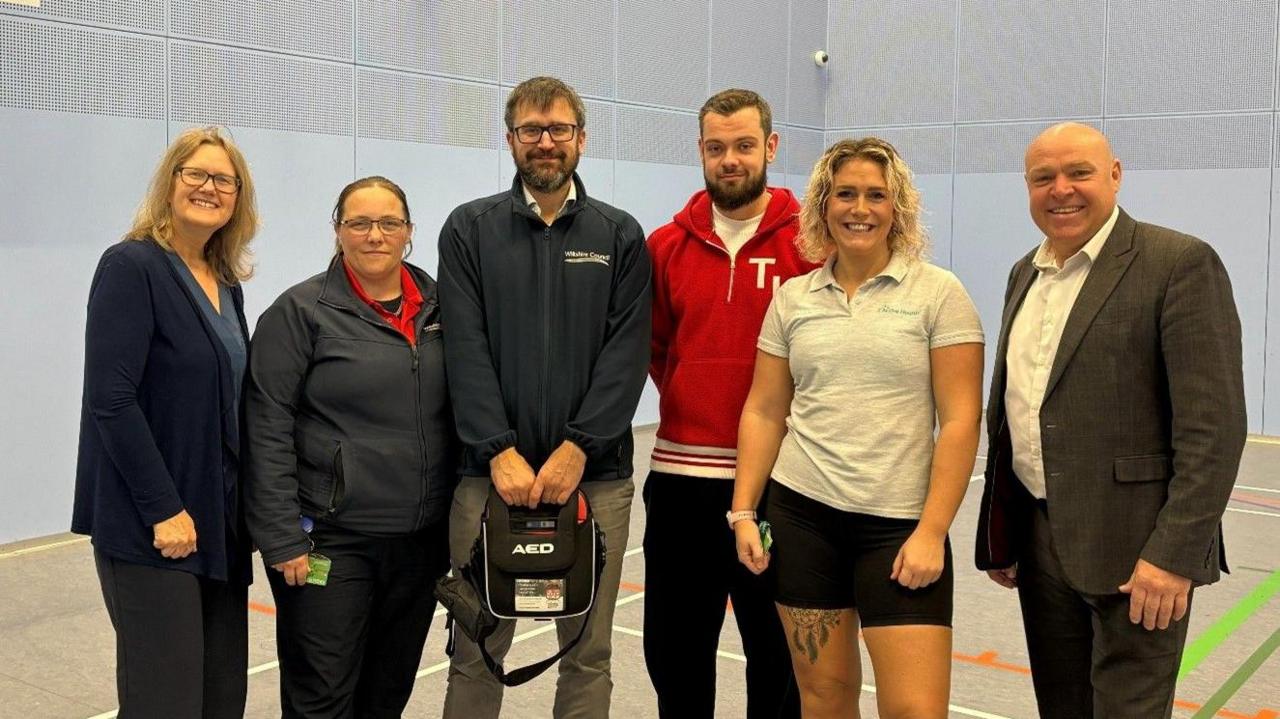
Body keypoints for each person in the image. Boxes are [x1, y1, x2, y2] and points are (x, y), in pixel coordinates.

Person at [975, 122, 1247, 718]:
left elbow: (1214, 430)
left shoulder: (1179, 263)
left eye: (1079, 173)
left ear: (1116, 176)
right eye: (1043, 177)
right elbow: (1016, 410)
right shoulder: (1026, 272)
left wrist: (1174, 555)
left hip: (1139, 552)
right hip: (1043, 542)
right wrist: (1008, 528)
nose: (1061, 190)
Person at [731, 137, 984, 718]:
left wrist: (932, 530)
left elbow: (962, 421)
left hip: (898, 529)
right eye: (845, 194)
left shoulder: (940, 294)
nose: (859, 208)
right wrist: (744, 511)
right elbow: (765, 410)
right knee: (824, 699)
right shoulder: (794, 297)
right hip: (802, 519)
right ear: (823, 205)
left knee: (915, 710)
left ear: (897, 209)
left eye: (876, 195)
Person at [437, 76, 651, 719]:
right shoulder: (469, 229)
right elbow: (464, 350)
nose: (546, 142)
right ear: (510, 140)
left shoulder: (620, 235)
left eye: (559, 129)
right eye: (531, 130)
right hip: (487, 478)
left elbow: (626, 355)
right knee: (477, 645)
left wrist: (579, 450)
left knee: (586, 651)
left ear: (581, 139)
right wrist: (497, 450)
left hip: (595, 479)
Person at [243, 176, 457, 718]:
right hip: (329, 543)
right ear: (338, 231)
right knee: (322, 698)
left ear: (409, 231)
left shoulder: (444, 308)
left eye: (389, 223)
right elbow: (266, 424)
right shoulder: (300, 313)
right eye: (359, 223)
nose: (374, 235)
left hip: (418, 543)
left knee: (386, 695)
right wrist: (280, 536)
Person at [73, 126, 258, 718]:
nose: (209, 188)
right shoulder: (132, 266)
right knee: (166, 703)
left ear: (238, 196)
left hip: (219, 525)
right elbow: (111, 400)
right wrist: (162, 509)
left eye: (223, 180)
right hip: (154, 526)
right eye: (195, 174)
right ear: (171, 182)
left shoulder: (226, 282)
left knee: (220, 699)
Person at [644, 88, 810, 718]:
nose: (730, 160)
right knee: (676, 654)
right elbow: (659, 350)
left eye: (744, 146)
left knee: (778, 657)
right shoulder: (665, 245)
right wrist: (699, 401)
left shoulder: (809, 244)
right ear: (701, 152)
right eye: (717, 148)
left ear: (770, 146)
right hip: (683, 483)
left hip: (783, 483)